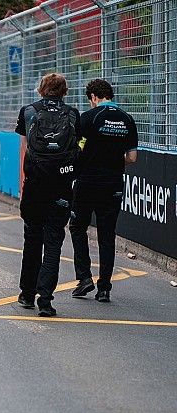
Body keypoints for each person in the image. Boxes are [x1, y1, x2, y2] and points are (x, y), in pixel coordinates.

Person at [15, 73, 81, 317]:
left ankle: (27, 294)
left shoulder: (28, 111)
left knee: (32, 239)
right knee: (53, 242)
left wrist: (22, 187)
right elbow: (77, 150)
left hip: (34, 185)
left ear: (41, 90)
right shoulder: (73, 114)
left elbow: (24, 151)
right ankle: (46, 299)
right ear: (64, 92)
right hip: (62, 186)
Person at [69, 79, 138, 303]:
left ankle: (84, 277)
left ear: (94, 97)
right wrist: (113, 163)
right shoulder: (127, 119)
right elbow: (132, 158)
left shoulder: (88, 117)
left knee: (78, 226)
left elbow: (77, 149)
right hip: (113, 183)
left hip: (87, 182)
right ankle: (104, 288)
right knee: (107, 235)